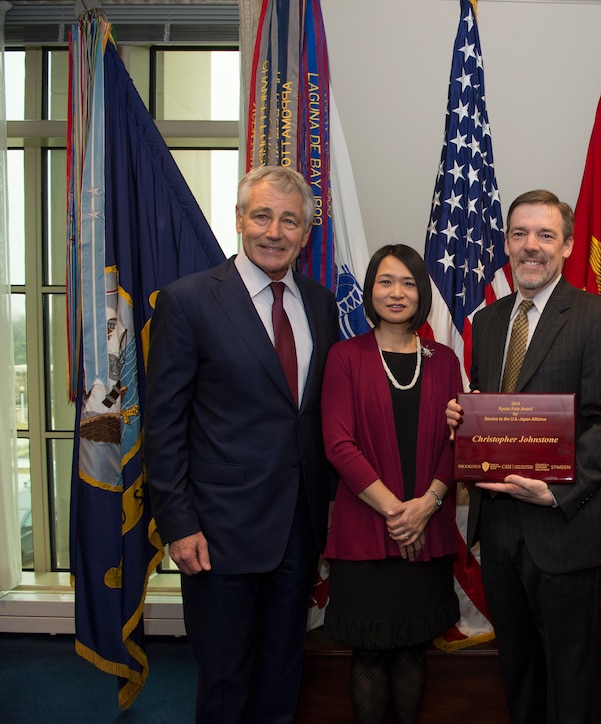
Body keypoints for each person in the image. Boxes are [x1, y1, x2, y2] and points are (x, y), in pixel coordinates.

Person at [145, 165, 339, 722]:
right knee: (226, 682)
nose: (274, 232)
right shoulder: (188, 302)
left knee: (283, 676)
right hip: (218, 534)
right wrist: (178, 524)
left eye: (289, 220)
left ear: (306, 233)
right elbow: (164, 424)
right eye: (262, 216)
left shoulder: (321, 305)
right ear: (238, 220)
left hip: (298, 531)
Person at [446, 189, 601, 724]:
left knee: (570, 675)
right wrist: (464, 418)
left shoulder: (599, 318)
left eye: (546, 235)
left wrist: (557, 491)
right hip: (500, 526)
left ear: (568, 246)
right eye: (520, 234)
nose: (532, 246)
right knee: (519, 666)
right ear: (505, 243)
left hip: (561, 527)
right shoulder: (487, 320)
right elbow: (491, 405)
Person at [320, 245, 462, 723]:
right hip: (365, 535)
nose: (397, 292)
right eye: (385, 281)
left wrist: (427, 505)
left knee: (412, 653)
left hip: (429, 531)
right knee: (370, 654)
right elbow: (338, 445)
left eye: (408, 283)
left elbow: (457, 442)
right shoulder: (345, 356)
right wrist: (400, 514)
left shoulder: (443, 360)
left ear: (422, 292)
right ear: (370, 290)